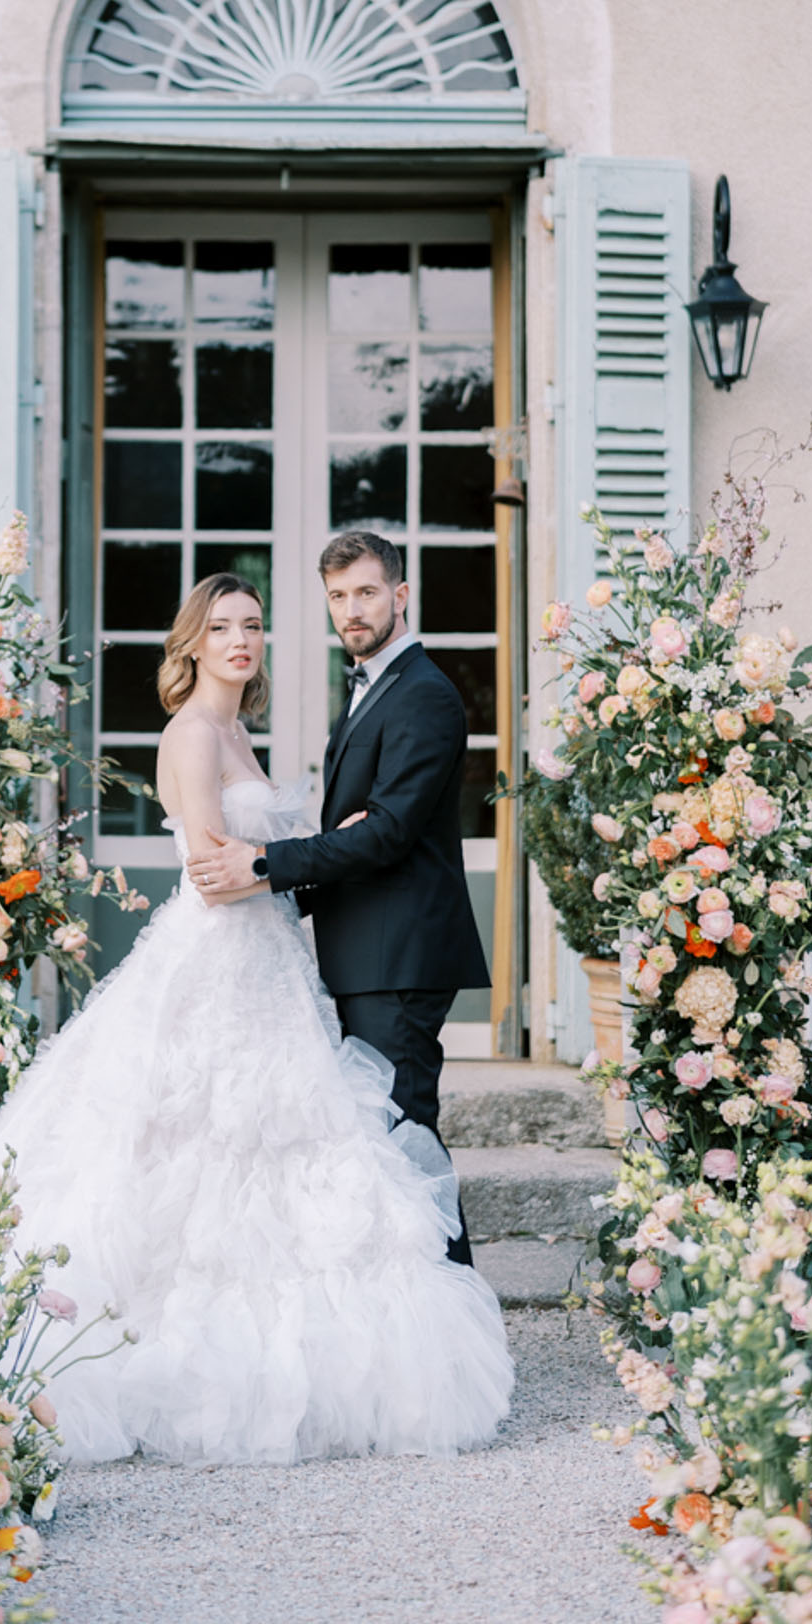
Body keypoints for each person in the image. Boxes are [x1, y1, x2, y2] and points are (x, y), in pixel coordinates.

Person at [0, 568, 513, 1468]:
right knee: (188, 1144)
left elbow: (267, 857)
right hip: (220, 964)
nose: (241, 640)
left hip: (271, 961)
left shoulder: (238, 730)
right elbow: (210, 865)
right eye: (224, 626)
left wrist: (285, 856)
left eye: (254, 625)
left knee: (298, 1152)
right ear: (192, 641)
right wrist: (286, 855)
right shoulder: (192, 734)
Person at [186, 531, 488, 1267]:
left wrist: (264, 863)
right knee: (381, 1136)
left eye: (365, 592)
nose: (351, 610)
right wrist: (288, 890)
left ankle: (452, 1316)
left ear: (400, 595)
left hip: (401, 956)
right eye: (337, 597)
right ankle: (419, 1309)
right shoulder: (371, 688)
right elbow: (355, 833)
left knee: (404, 1134)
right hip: (366, 950)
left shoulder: (422, 694)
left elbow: (385, 835)